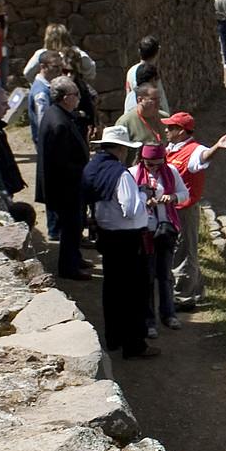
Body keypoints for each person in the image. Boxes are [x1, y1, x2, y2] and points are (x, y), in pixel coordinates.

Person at [83, 124, 155, 360]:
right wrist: (143, 195)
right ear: (122, 150)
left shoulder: (94, 167)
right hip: (127, 239)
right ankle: (134, 344)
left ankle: (113, 338)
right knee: (134, 293)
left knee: (113, 290)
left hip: (107, 235)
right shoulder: (121, 175)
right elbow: (132, 210)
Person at [164, 112, 226, 308]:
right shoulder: (171, 148)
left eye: (170, 127)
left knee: (184, 251)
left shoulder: (195, 150)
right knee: (182, 250)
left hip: (184, 210)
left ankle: (183, 298)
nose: (166, 130)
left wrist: (216, 147)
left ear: (180, 131)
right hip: (172, 208)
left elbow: (203, 157)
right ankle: (195, 291)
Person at [36, 75, 91, 279]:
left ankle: (75, 258)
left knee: (75, 226)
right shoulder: (58, 122)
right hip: (66, 187)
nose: (78, 98)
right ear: (66, 97)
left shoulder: (60, 115)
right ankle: (69, 268)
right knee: (70, 227)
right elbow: (61, 163)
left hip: (69, 185)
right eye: (76, 94)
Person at [134, 139, 188, 333]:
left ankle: (169, 314)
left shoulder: (171, 172)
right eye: (150, 165)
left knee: (165, 274)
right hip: (144, 231)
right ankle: (149, 320)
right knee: (147, 276)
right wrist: (144, 202)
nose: (155, 169)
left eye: (159, 164)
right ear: (142, 160)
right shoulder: (133, 175)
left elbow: (184, 194)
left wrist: (172, 197)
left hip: (166, 229)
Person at [27, 50, 67, 238]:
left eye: (61, 67)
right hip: (49, 148)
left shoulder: (47, 87)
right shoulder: (41, 93)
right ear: (43, 67)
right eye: (55, 68)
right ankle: (54, 229)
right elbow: (45, 123)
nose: (59, 71)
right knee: (53, 187)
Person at [23, 23, 97, 89]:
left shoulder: (41, 54)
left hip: (51, 94)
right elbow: (91, 71)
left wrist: (42, 84)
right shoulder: (78, 53)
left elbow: (27, 73)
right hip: (74, 94)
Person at [124, 36, 169, 114]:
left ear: (139, 51)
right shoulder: (151, 73)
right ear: (158, 51)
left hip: (131, 112)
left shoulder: (130, 71)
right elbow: (160, 99)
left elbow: (128, 93)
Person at [118, 74, 165, 149]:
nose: (158, 103)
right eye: (153, 100)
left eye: (159, 99)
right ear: (140, 100)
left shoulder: (165, 118)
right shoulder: (125, 122)